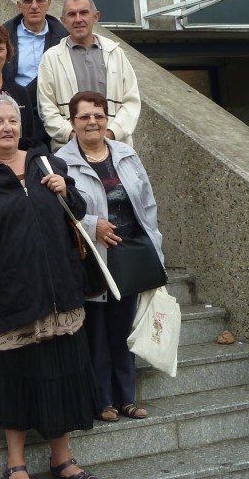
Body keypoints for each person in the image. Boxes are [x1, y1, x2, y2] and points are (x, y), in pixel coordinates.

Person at [0, 94, 100, 479]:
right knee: (14, 380)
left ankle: (61, 458)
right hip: (7, 296)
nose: (6, 128)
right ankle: (16, 463)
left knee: (64, 374)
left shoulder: (48, 163)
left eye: (12, 121)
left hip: (59, 289)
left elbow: (78, 214)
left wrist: (66, 189)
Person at [56, 90, 164, 425]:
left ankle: (126, 398)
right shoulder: (61, 162)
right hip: (91, 260)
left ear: (107, 119)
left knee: (122, 329)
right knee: (96, 333)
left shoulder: (126, 154)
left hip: (128, 256)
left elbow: (147, 206)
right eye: (85, 116)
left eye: (99, 115)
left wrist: (156, 253)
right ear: (72, 123)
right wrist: (93, 225)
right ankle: (102, 400)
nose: (93, 122)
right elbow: (59, 213)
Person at [37, 0, 141, 150]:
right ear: (63, 21)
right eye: (72, 14)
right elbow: (47, 108)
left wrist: (111, 134)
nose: (78, 19)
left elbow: (131, 101)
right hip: (69, 150)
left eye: (84, 12)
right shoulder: (50, 58)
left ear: (96, 16)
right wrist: (75, 136)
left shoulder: (116, 53)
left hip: (117, 147)